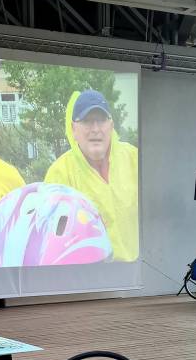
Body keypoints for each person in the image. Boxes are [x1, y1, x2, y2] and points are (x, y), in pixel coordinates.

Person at [44, 89, 138, 262]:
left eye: (101, 120)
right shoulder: (59, 173)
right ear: (73, 129)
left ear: (111, 125)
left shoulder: (134, 158)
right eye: (87, 121)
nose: (95, 129)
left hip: (138, 271)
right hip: (88, 274)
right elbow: (52, 240)